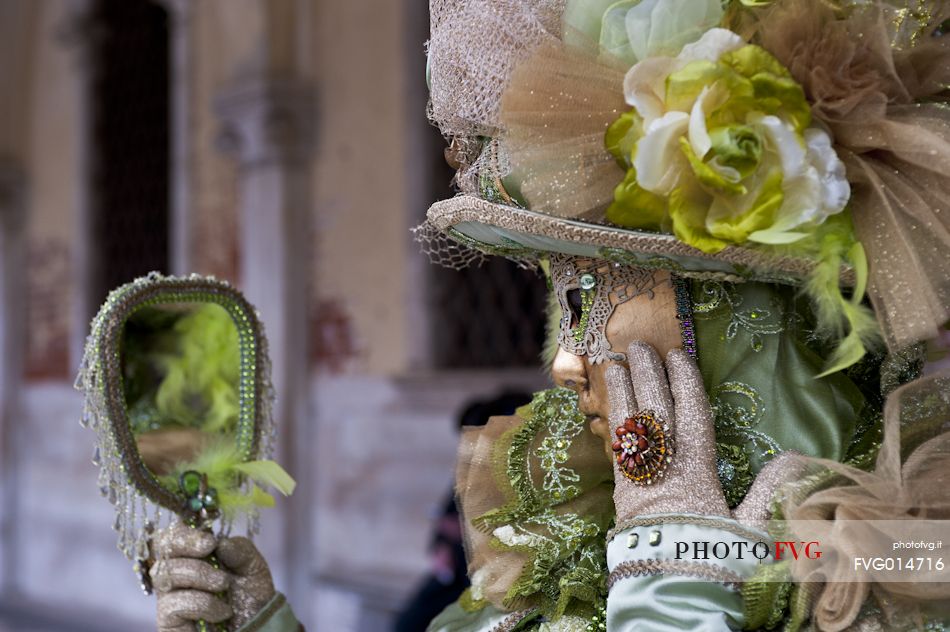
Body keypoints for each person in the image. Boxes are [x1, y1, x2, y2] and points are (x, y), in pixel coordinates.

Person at [151, 0, 950, 629]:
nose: (567, 362)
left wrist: (676, 581)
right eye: (566, 297)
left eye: (607, 296)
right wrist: (255, 621)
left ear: (768, 323)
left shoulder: (900, 572)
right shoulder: (569, 538)